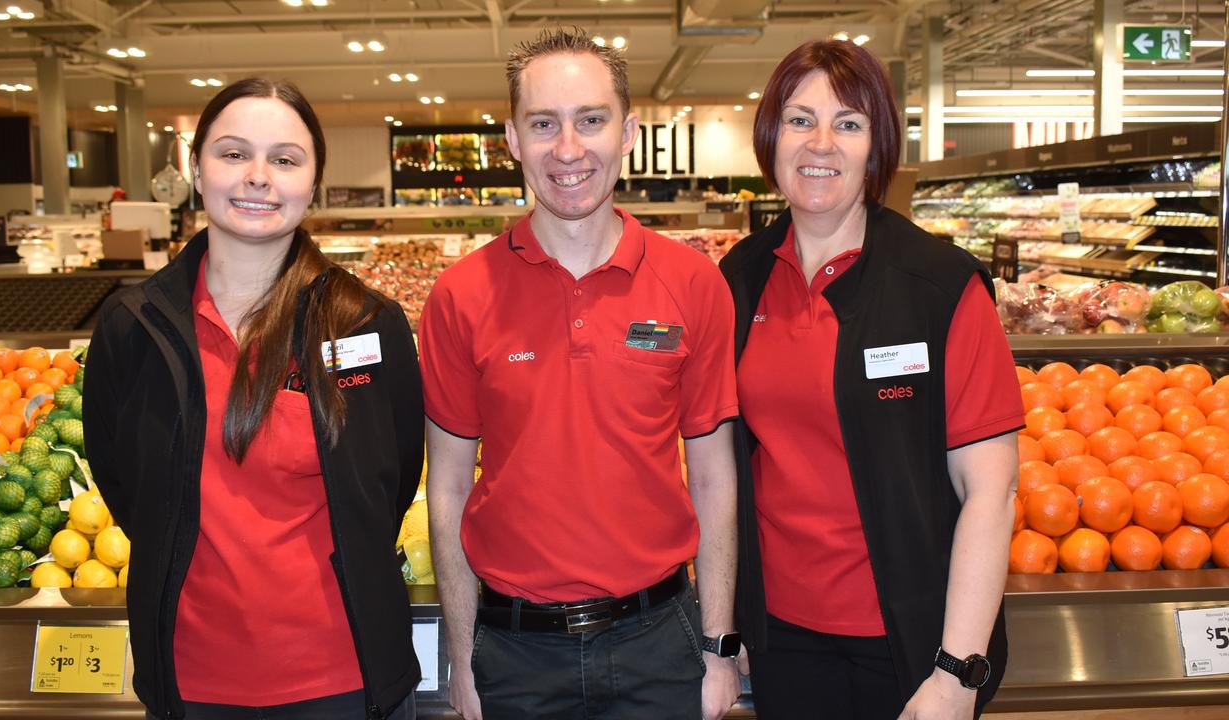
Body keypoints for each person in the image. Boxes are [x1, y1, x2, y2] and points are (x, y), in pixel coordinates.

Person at [419, 27, 742, 720]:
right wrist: (462, 653)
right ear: (511, 138)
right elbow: (445, 486)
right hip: (513, 654)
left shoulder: (694, 283)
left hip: (662, 643)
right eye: (544, 124)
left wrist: (717, 647)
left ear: (627, 132)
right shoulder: (460, 295)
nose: (568, 150)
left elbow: (714, 474)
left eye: (590, 120)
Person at [83, 78, 424, 720]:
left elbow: (390, 479)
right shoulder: (134, 327)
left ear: (313, 182)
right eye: (234, 154)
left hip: (347, 679)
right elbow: (124, 482)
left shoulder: (364, 324)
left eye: (286, 159)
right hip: (191, 680)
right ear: (196, 168)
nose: (258, 177)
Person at [719, 40, 1021, 720]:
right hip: (783, 637)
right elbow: (726, 468)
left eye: (848, 124)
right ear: (771, 138)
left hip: (913, 643)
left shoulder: (939, 285)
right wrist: (730, 621)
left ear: (876, 145)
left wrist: (956, 672)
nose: (820, 143)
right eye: (800, 120)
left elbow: (990, 491)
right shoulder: (737, 281)